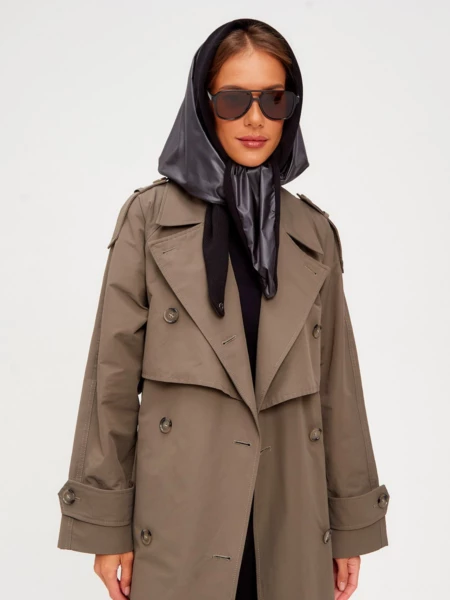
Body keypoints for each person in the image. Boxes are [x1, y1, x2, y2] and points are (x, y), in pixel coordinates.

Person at [56, 17, 390, 600]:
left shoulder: (311, 232)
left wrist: (350, 524)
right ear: (203, 106)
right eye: (235, 100)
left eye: (274, 99)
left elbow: (340, 386)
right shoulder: (149, 221)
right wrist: (106, 525)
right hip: (181, 514)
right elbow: (110, 379)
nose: (255, 118)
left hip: (291, 513)